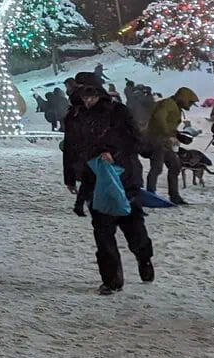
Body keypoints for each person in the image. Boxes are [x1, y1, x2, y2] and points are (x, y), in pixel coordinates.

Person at [62, 72, 152, 294]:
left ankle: (144, 257)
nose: (87, 100)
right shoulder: (74, 116)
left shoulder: (117, 112)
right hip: (94, 180)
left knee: (133, 228)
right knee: (103, 232)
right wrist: (70, 175)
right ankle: (112, 280)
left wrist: (115, 155)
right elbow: (71, 146)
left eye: (91, 94)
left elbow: (136, 141)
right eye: (82, 95)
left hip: (124, 178)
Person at [144, 86, 197, 205]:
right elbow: (159, 118)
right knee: (157, 167)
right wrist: (169, 134)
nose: (190, 105)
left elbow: (168, 124)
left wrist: (178, 135)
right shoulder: (168, 104)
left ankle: (174, 195)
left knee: (175, 165)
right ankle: (150, 193)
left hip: (163, 141)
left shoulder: (174, 106)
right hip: (155, 140)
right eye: (190, 103)